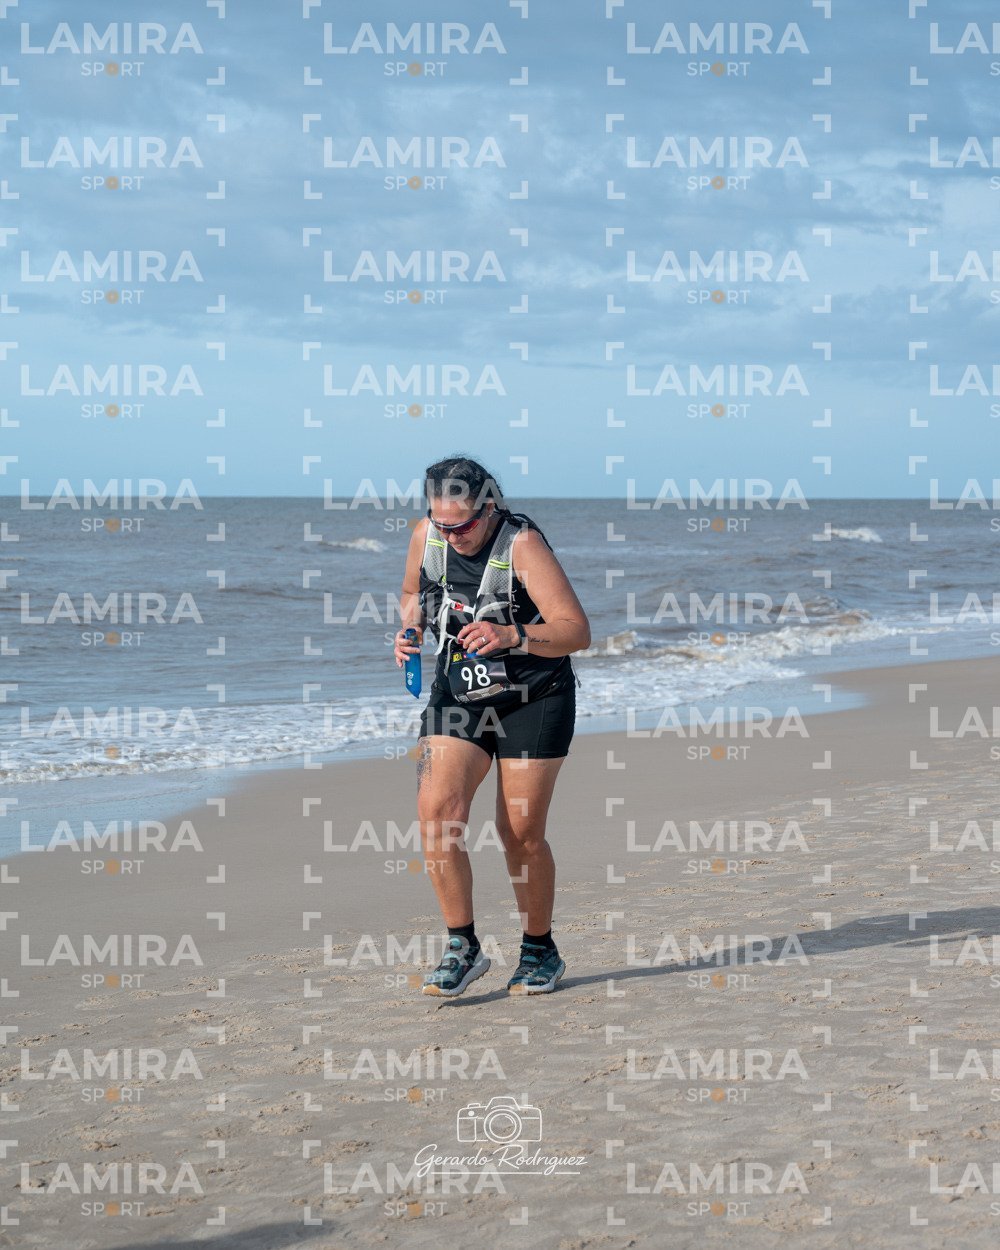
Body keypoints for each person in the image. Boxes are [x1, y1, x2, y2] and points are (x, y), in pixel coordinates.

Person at [393, 456, 591, 997]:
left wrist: (512, 636)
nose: (451, 535)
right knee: (438, 815)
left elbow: (576, 631)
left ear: (489, 507)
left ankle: (539, 949)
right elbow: (412, 593)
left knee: (518, 832)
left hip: (534, 697)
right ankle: (463, 946)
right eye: (440, 523)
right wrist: (409, 629)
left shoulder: (522, 545)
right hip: (459, 692)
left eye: (462, 525)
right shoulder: (427, 536)